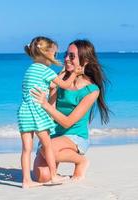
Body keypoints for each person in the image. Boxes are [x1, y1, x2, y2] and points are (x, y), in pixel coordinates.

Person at [31, 39, 110, 183]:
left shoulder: (91, 90)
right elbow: (51, 110)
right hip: (54, 134)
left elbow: (68, 123)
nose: (66, 59)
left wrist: (45, 104)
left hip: (75, 136)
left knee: (50, 150)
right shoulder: (61, 80)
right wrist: (53, 89)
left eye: (72, 56)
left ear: (84, 60)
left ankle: (81, 161)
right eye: (66, 55)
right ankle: (55, 157)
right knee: (42, 177)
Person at [17, 36, 78, 188]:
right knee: (47, 145)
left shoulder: (30, 69)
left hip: (23, 111)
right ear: (47, 53)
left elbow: (46, 84)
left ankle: (26, 181)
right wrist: (75, 73)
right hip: (37, 111)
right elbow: (63, 85)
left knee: (26, 149)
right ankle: (53, 175)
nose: (56, 57)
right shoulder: (46, 71)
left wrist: (57, 78)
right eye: (55, 54)